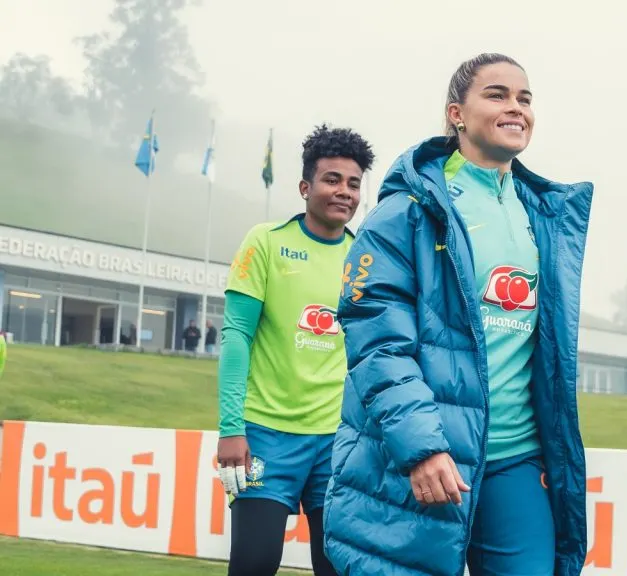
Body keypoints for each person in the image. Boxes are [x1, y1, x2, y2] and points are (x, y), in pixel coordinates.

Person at [323, 53, 593, 576]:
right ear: (456, 114)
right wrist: (421, 448)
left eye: (525, 98)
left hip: (516, 461)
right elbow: (378, 343)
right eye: (497, 95)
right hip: (423, 459)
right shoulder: (403, 212)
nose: (516, 107)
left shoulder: (545, 216)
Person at [216, 124, 375, 576]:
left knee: (337, 568)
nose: (343, 192)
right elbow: (235, 338)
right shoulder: (265, 242)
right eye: (331, 180)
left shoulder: (364, 260)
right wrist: (231, 428)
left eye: (353, 183)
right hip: (265, 434)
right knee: (253, 564)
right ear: (305, 187)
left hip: (337, 442)